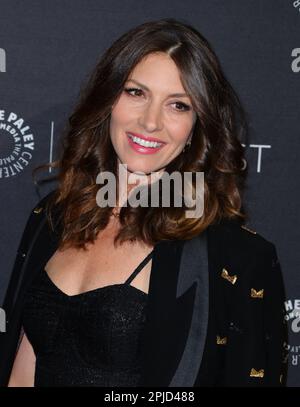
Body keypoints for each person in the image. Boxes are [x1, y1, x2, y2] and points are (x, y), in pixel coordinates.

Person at [0, 18, 287, 387]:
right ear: (108, 100)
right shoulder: (54, 215)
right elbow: (26, 362)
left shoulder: (237, 258)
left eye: (178, 105)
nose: (150, 122)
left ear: (198, 124)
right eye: (136, 93)